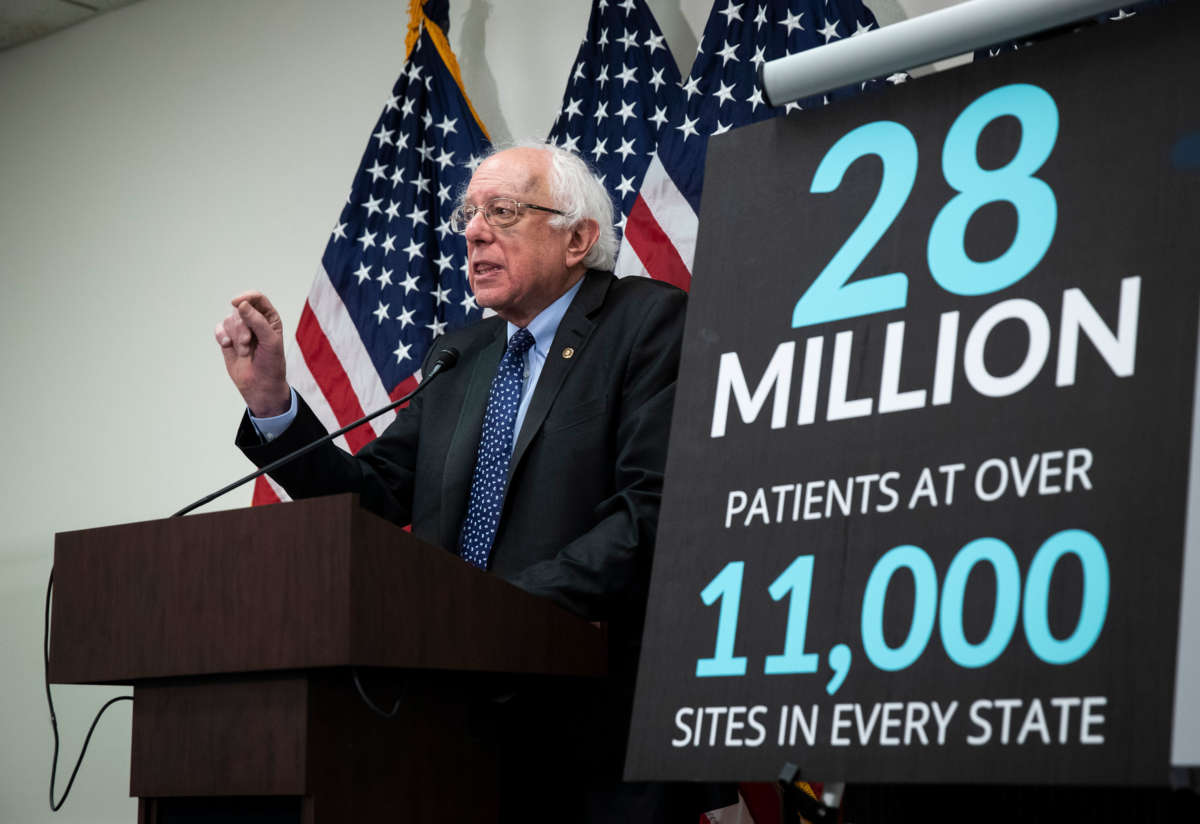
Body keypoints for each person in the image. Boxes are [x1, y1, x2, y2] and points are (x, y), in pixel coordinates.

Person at [215, 143, 728, 821]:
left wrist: (489, 612)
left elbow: (651, 514)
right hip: (451, 729)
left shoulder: (648, 323)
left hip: (593, 733)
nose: (473, 230)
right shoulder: (464, 353)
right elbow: (371, 498)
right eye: (471, 212)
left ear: (578, 239)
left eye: (503, 211)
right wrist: (273, 404)